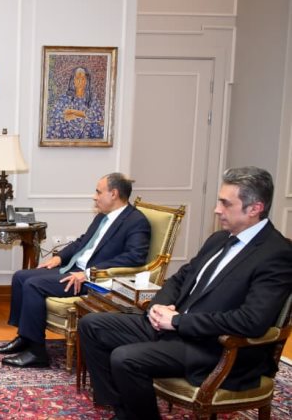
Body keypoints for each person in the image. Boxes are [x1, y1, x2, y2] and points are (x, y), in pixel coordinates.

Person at [80, 167, 292, 420]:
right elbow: (180, 278)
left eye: (225, 203)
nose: (217, 210)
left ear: (255, 208)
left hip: (216, 346)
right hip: (177, 328)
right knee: (92, 325)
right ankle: (122, 409)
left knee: (125, 358)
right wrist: (159, 306)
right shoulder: (219, 239)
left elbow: (251, 321)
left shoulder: (275, 254)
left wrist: (179, 321)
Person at [0, 173, 150, 368]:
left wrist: (89, 272)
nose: (94, 197)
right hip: (74, 269)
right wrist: (59, 257)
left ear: (113, 194)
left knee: (33, 285)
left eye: (98, 192)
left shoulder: (136, 221)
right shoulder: (103, 216)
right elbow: (82, 241)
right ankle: (25, 338)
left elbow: (135, 257)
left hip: (94, 279)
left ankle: (37, 352)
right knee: (20, 276)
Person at [46, 66, 104, 140]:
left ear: (87, 81)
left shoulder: (92, 98)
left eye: (83, 79)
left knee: (93, 126)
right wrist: (82, 115)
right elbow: (55, 115)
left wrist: (72, 112)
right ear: (73, 80)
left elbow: (97, 117)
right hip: (66, 131)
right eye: (77, 78)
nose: (80, 81)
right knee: (57, 126)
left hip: (87, 131)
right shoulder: (65, 97)